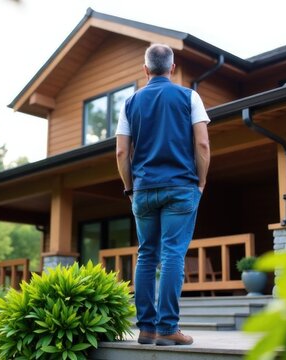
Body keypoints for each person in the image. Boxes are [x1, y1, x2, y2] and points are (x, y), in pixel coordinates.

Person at [115, 43, 210, 346]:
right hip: (182, 186)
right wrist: (201, 182)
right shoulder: (189, 96)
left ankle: (146, 328)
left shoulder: (129, 103)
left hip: (143, 189)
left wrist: (130, 187)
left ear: (145, 70)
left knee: (146, 256)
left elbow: (120, 151)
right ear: (172, 68)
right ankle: (167, 328)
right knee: (172, 255)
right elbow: (203, 145)